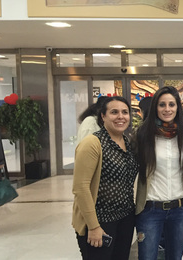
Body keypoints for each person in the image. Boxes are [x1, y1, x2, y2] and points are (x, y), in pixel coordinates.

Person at [72, 96, 138, 260]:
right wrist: (94, 226)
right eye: (114, 112)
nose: (120, 117)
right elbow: (81, 187)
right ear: (103, 116)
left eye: (125, 112)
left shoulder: (127, 142)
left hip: (124, 219)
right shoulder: (93, 143)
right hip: (100, 221)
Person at [134, 86, 183, 260]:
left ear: (177, 107)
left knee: (175, 257)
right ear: (155, 107)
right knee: (147, 256)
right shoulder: (143, 134)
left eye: (171, 104)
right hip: (150, 209)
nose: (167, 109)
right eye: (162, 105)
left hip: (180, 209)